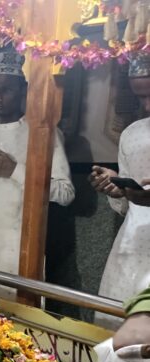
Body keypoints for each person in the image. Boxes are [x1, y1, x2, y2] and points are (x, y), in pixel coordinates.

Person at [0, 45, 74, 300]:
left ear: (23, 90)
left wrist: (13, 169)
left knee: (17, 314)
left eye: (6, 90)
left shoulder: (43, 135)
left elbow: (65, 193)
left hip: (20, 243)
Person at [90, 54, 150, 329]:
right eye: (140, 97)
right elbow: (126, 207)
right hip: (131, 243)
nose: (147, 105)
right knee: (117, 325)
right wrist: (116, 189)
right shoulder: (131, 134)